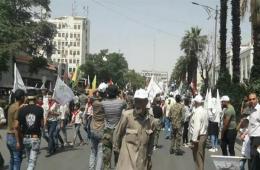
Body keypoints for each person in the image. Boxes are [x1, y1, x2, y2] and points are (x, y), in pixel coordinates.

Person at [113, 89, 155, 170]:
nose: (137, 104)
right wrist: (117, 154)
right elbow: (117, 134)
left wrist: (149, 157)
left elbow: (151, 140)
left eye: (140, 101)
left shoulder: (150, 120)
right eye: (136, 101)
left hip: (141, 163)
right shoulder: (127, 116)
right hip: (126, 164)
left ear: (146, 102)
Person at [17, 89, 44, 170]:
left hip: (25, 138)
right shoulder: (40, 109)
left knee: (29, 161)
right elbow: (42, 125)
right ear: (35, 98)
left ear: (27, 98)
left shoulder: (21, 109)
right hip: (35, 138)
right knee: (32, 163)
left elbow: (18, 125)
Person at [101, 84, 126, 169]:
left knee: (106, 159)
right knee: (118, 158)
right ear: (117, 93)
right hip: (118, 133)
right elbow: (127, 107)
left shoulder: (103, 103)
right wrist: (121, 95)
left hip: (106, 132)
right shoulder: (121, 102)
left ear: (107, 93)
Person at [6, 89, 25, 170]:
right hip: (14, 136)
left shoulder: (11, 106)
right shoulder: (18, 108)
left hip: (8, 135)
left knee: (12, 159)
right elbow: (16, 126)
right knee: (17, 159)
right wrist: (19, 140)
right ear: (22, 97)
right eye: (24, 96)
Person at [89, 84, 106, 170]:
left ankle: (91, 168)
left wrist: (98, 89)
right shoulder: (105, 104)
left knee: (93, 152)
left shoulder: (94, 103)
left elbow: (91, 93)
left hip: (93, 129)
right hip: (102, 129)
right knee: (100, 154)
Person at [189, 95, 208, 170]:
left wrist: (193, 139)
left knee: (198, 158)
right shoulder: (204, 110)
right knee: (201, 156)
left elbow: (197, 127)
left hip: (198, 136)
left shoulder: (197, 112)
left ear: (196, 102)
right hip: (203, 135)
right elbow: (206, 124)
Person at [45, 92, 60, 157]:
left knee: (50, 134)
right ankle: (53, 147)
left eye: (50, 97)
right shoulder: (46, 103)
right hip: (48, 121)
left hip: (54, 121)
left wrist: (52, 112)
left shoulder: (55, 104)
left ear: (52, 97)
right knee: (49, 136)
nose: (49, 98)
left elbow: (59, 113)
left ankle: (49, 150)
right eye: (48, 97)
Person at [248, 93, 260, 170]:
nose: (252, 101)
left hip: (258, 137)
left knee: (254, 157)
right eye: (250, 99)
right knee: (253, 158)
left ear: (257, 99)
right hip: (252, 137)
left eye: (253, 99)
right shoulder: (252, 109)